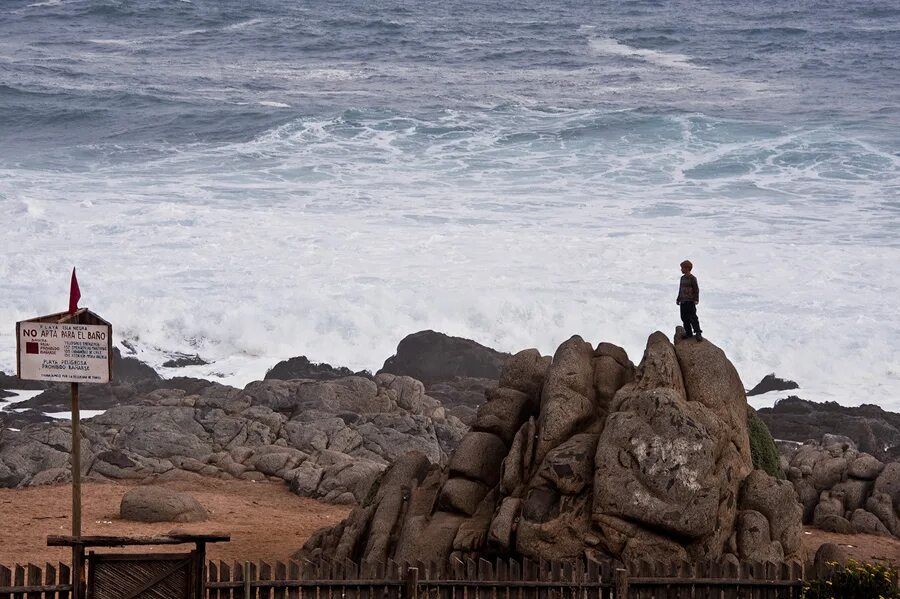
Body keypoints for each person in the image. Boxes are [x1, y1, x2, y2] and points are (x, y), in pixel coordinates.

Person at [677, 260, 702, 341]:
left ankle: (698, 332)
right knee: (684, 318)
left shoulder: (692, 278)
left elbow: (696, 289)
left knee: (693, 318)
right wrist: (678, 298)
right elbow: (680, 289)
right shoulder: (682, 278)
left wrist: (696, 299)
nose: (681, 270)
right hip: (683, 302)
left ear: (687, 268)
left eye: (682, 268)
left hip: (690, 301)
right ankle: (689, 333)